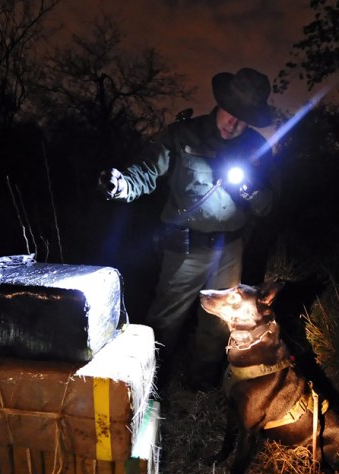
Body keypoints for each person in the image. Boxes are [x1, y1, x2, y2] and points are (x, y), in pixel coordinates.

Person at [97, 67, 276, 390]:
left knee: (218, 323)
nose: (233, 124)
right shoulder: (182, 135)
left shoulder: (256, 148)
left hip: (230, 249)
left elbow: (268, 204)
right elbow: (147, 171)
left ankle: (202, 383)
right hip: (186, 247)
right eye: (231, 113)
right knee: (166, 318)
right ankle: (149, 383)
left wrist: (253, 192)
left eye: (243, 118)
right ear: (220, 103)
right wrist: (122, 185)